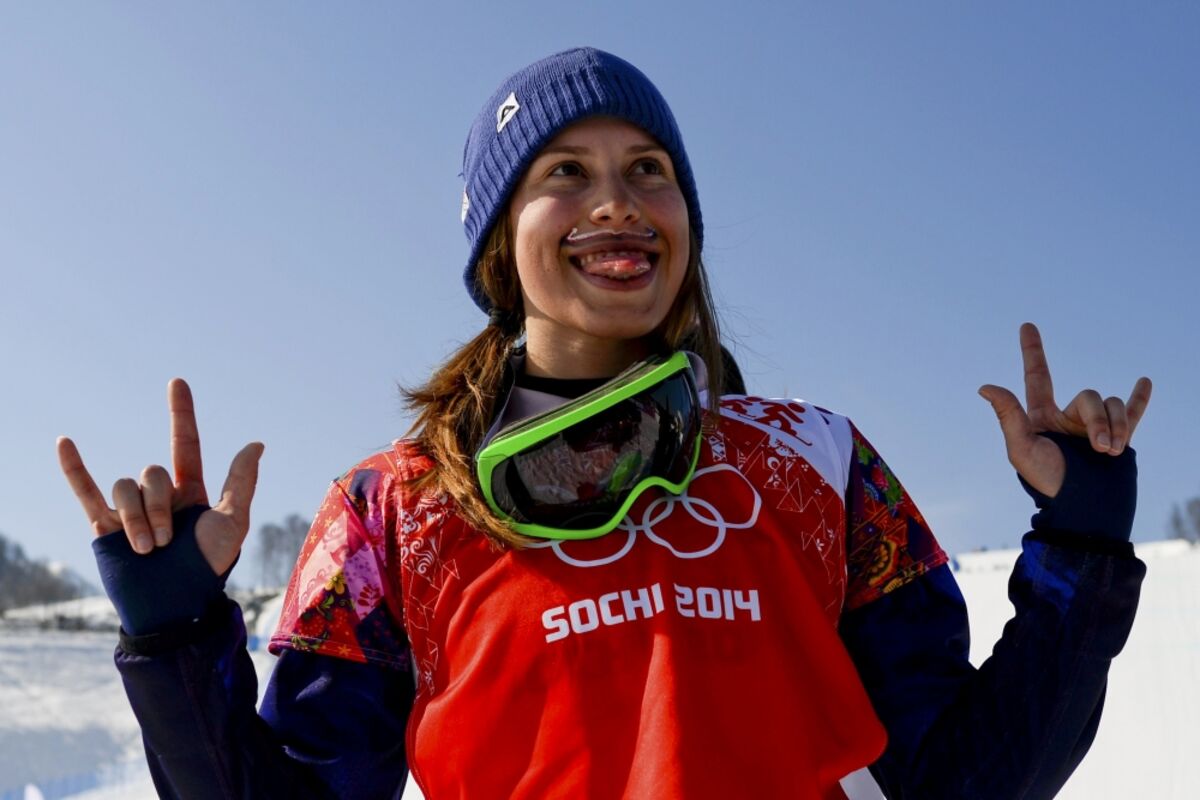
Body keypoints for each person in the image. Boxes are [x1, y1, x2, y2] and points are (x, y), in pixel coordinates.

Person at [57, 47, 1152, 799]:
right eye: (566, 173)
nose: (617, 201)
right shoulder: (394, 507)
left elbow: (960, 778)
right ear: (500, 241)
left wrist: (1082, 546)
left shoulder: (815, 459)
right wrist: (175, 637)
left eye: (649, 171)